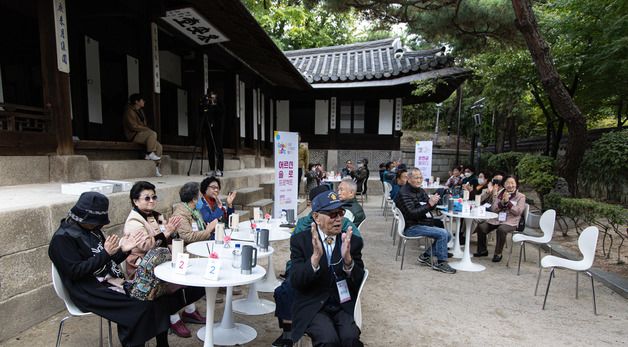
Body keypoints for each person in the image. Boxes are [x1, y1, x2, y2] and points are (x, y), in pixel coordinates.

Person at [48, 192, 204, 347]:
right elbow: (75, 272)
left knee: (157, 297)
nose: (100, 226)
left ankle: (162, 344)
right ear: (85, 218)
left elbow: (107, 263)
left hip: (112, 282)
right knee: (140, 308)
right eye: (96, 222)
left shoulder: (92, 231)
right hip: (88, 291)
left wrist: (124, 250)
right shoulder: (62, 239)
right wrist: (106, 253)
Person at [273, 186, 362, 347]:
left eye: (340, 212)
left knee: (350, 338)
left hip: (338, 293)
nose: (338, 218)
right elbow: (297, 268)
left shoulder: (347, 230)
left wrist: (348, 259)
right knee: (286, 290)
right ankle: (287, 333)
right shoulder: (302, 231)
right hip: (310, 288)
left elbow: (357, 273)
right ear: (316, 214)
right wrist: (314, 259)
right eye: (332, 213)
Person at [122, 181, 204, 338]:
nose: (151, 201)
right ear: (135, 200)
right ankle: (173, 318)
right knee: (172, 281)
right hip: (142, 268)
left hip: (162, 260)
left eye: (154, 197)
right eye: (147, 198)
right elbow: (146, 245)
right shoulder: (134, 221)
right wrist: (167, 233)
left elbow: (168, 236)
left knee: (190, 273)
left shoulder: (157, 215)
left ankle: (189, 310)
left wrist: (173, 239)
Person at [394, 168, 456, 274]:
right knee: (443, 233)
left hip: (421, 222)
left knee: (448, 235)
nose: (419, 180)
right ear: (408, 179)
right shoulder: (404, 193)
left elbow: (427, 206)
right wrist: (429, 204)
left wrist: (434, 202)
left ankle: (426, 256)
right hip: (411, 227)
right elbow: (412, 213)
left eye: (420, 177)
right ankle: (441, 263)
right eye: (416, 178)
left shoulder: (420, 190)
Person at [474, 175, 526, 262]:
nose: (510, 185)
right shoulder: (500, 193)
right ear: (504, 184)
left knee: (501, 229)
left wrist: (508, 203)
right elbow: (493, 209)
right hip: (496, 219)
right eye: (507, 183)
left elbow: (518, 211)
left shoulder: (521, 196)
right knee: (481, 226)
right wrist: (502, 202)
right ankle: (482, 250)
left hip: (511, 221)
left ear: (516, 184)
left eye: (512, 183)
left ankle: (498, 253)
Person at [123, 94, 163, 177]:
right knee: (152, 133)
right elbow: (133, 126)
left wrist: (146, 129)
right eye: (142, 100)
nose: (144, 102)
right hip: (134, 135)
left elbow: (143, 125)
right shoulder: (129, 111)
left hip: (141, 134)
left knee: (159, 146)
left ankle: (156, 168)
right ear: (136, 101)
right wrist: (146, 129)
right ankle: (150, 152)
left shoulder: (140, 111)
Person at [200, 90, 225, 176]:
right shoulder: (208, 104)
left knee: (218, 149)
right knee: (210, 148)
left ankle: (220, 169)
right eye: (211, 95)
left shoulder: (219, 103)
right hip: (208, 128)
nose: (212, 96)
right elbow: (203, 112)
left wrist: (214, 104)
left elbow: (221, 112)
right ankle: (212, 168)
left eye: (213, 94)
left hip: (217, 129)